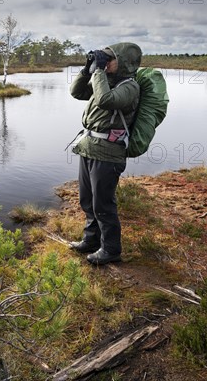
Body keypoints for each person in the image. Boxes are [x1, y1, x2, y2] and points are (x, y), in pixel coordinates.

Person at [68, 42, 142, 265]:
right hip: (88, 147)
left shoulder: (129, 87)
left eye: (110, 58)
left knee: (103, 205)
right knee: (87, 200)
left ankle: (111, 250)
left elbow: (104, 100)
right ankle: (91, 241)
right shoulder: (105, 82)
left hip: (108, 153)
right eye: (105, 58)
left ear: (124, 63)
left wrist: (99, 71)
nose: (106, 62)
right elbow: (77, 92)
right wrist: (87, 69)